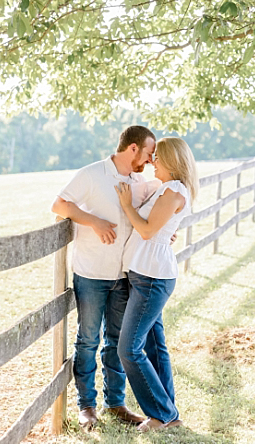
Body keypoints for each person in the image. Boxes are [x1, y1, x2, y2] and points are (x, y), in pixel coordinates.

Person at [51, 125, 155, 430]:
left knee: (117, 342)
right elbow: (59, 205)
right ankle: (87, 406)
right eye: (148, 153)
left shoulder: (138, 181)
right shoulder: (92, 174)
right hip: (92, 273)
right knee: (87, 340)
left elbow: (147, 220)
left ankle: (116, 404)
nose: (150, 161)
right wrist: (94, 221)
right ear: (132, 148)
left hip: (124, 275)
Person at [114, 137, 199, 432]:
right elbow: (157, 228)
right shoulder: (168, 189)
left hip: (152, 276)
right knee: (153, 344)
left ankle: (161, 414)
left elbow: (148, 230)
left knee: (129, 349)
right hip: (145, 273)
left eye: (158, 158)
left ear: (173, 162)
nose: (152, 162)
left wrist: (126, 205)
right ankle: (168, 414)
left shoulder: (175, 190)